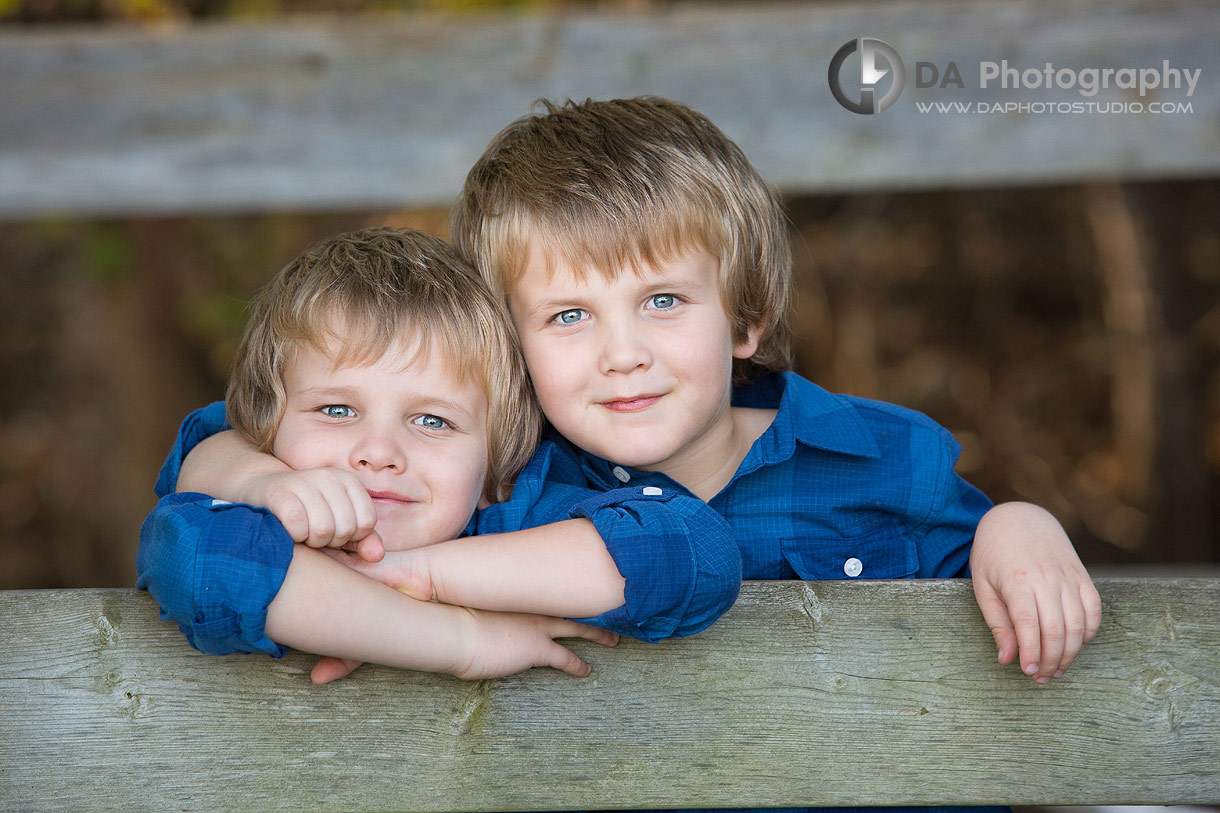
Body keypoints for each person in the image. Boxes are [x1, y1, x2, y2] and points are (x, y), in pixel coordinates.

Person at [160, 97, 1100, 692]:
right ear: (506, 353)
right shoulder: (502, 477)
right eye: (568, 316)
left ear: (745, 317)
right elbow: (242, 443)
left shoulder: (882, 455)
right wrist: (246, 473)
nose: (622, 354)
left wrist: (1016, 522)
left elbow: (972, 549)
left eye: (660, 300)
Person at [140, 225, 730, 681]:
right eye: (337, 410)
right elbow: (198, 558)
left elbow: (692, 550)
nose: (378, 452)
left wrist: (411, 575)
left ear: (499, 462)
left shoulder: (511, 515)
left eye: (432, 420)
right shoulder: (254, 513)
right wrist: (457, 641)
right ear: (264, 433)